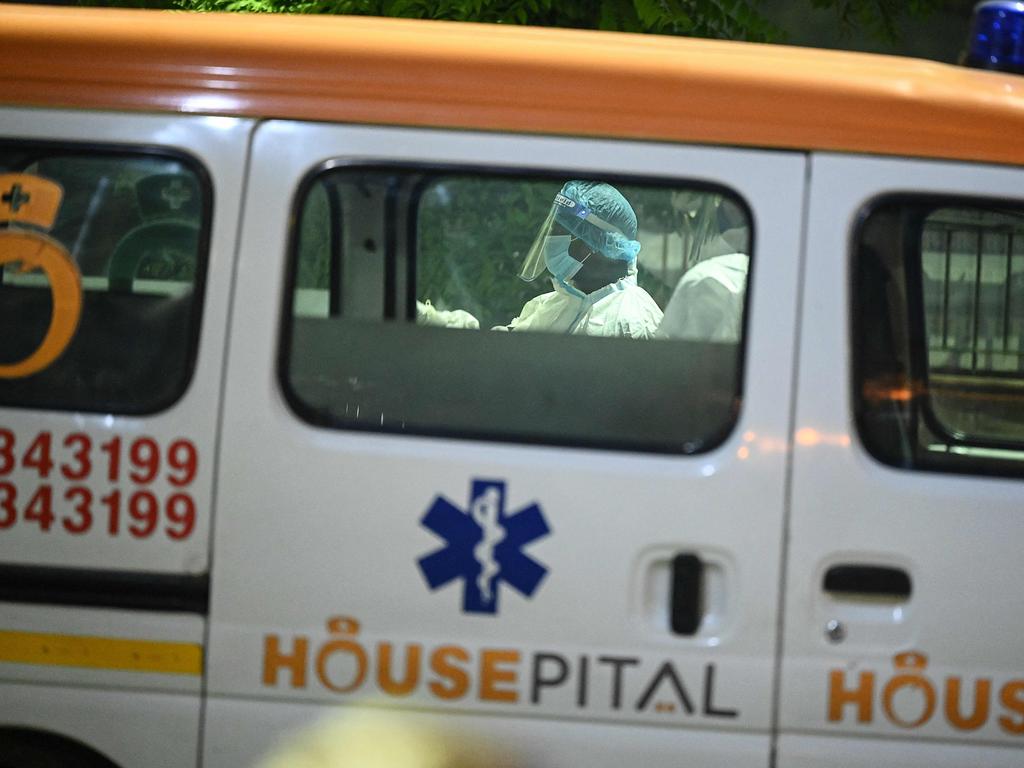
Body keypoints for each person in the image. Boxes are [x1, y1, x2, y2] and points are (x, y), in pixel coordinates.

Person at [494, 180, 663, 339]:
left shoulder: (634, 324)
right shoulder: (551, 305)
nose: (550, 239)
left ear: (593, 244)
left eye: (558, 231)